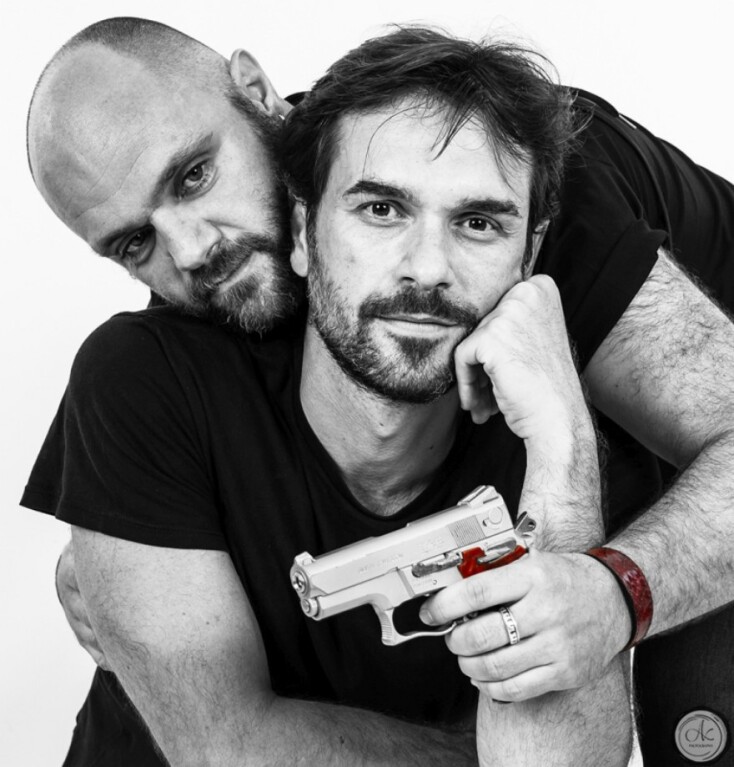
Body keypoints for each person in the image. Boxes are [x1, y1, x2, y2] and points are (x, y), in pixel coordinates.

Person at [22, 18, 734, 766]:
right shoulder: (211, 301)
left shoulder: (501, 172)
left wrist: (616, 591)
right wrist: (123, 536)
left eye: (195, 175)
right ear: (308, 228)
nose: (194, 250)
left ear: (258, 93)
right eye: (135, 243)